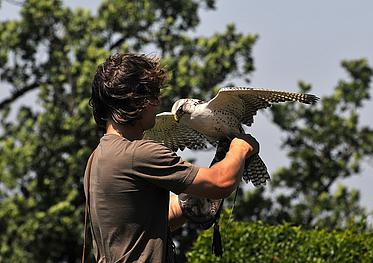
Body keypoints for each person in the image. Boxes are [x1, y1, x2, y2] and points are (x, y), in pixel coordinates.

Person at [84, 53, 259, 263]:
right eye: (153, 95)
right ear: (134, 100)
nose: (158, 103)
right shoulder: (137, 153)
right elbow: (221, 182)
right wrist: (239, 148)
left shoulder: (97, 157)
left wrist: (188, 205)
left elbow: (145, 225)